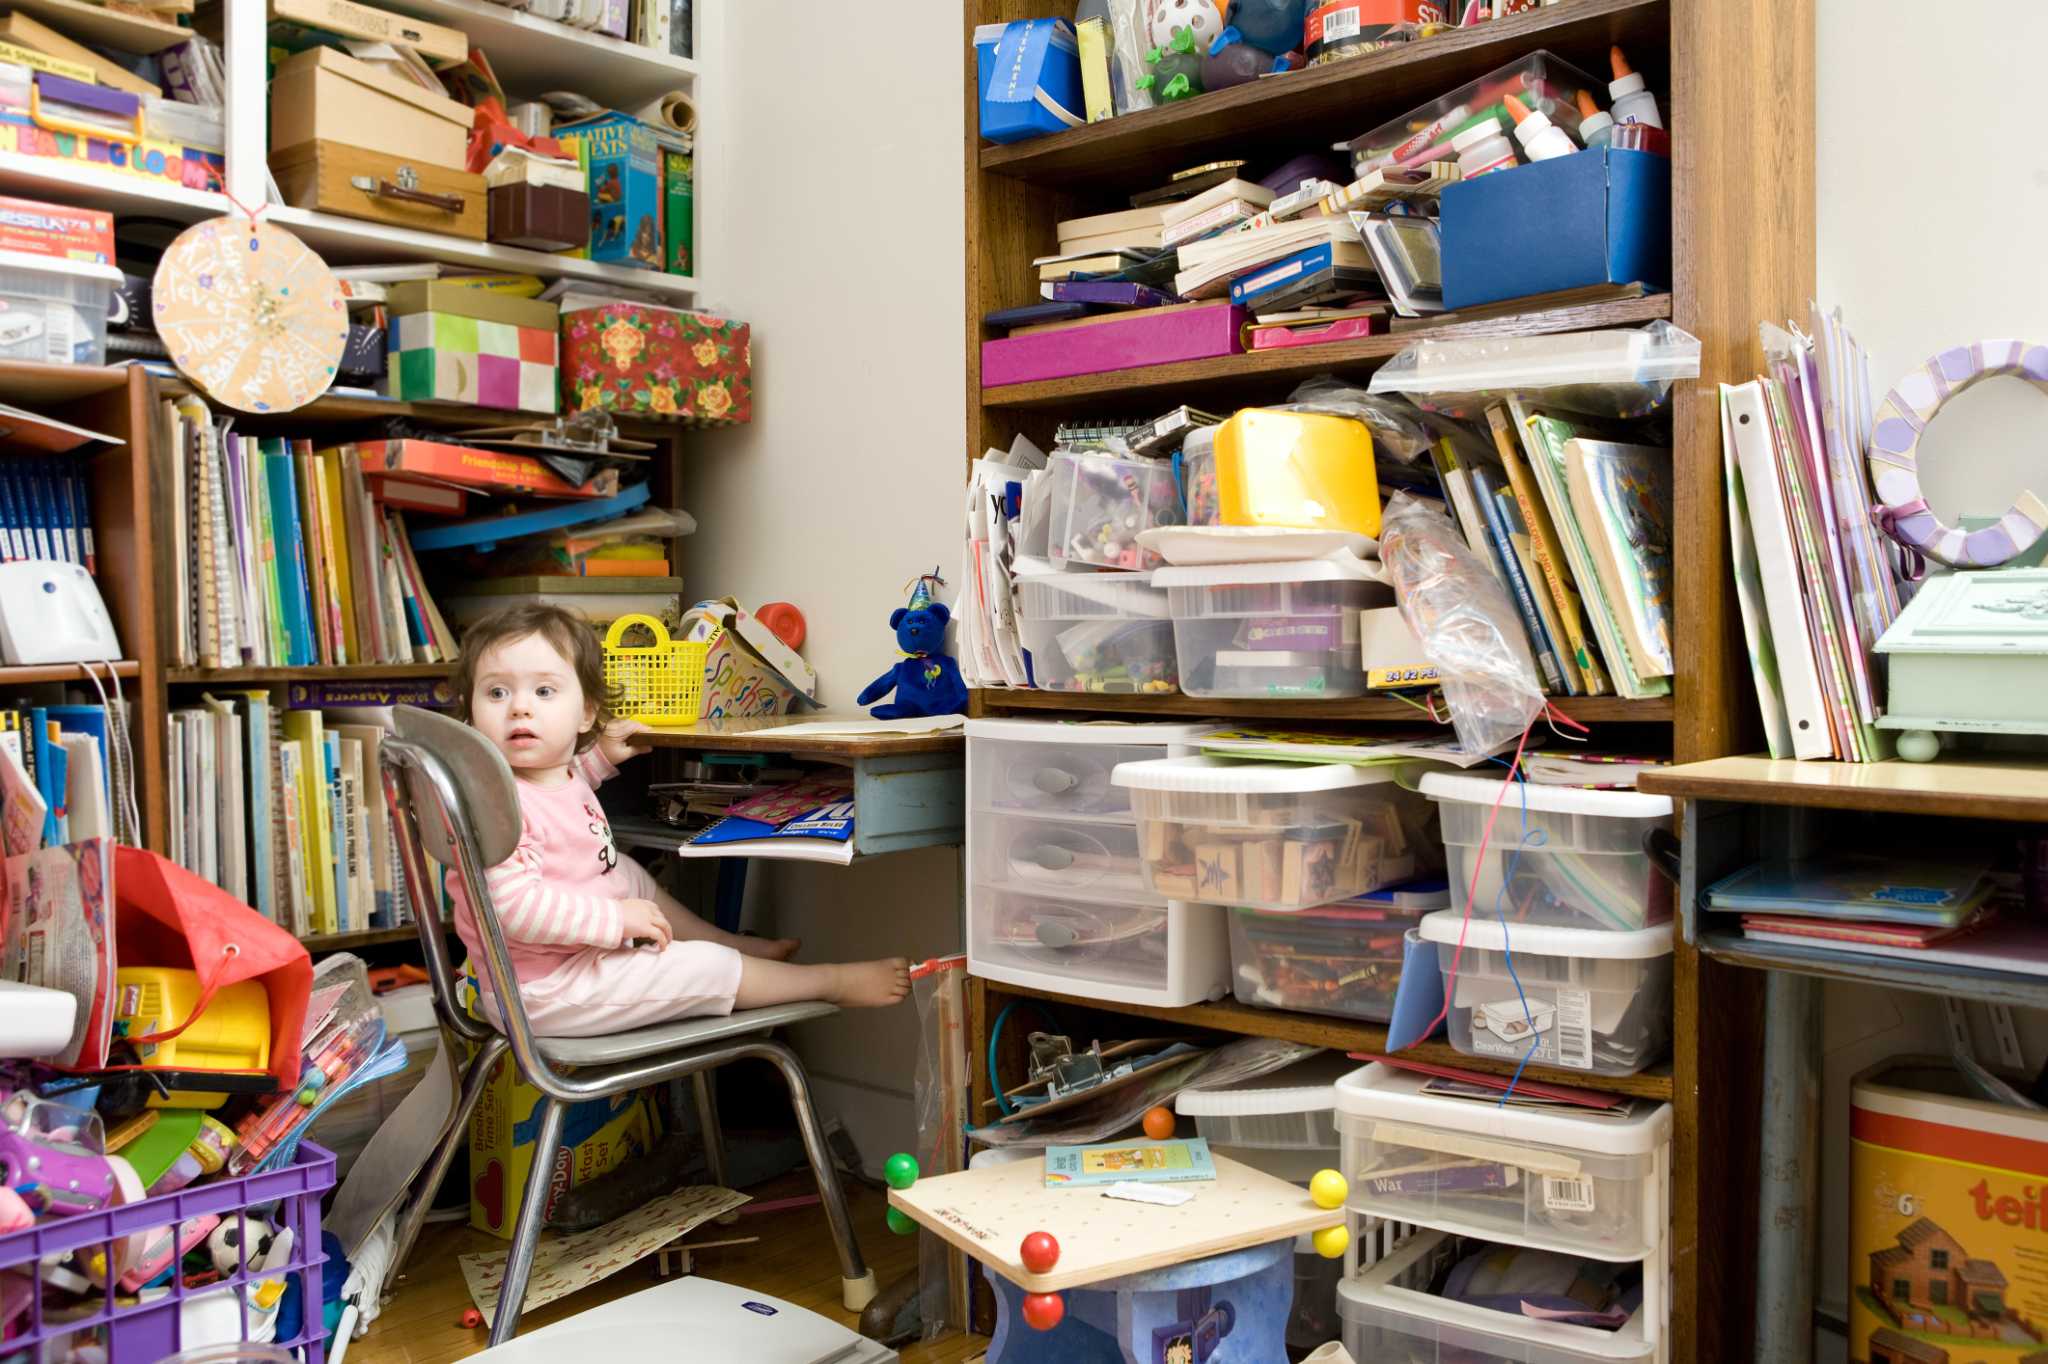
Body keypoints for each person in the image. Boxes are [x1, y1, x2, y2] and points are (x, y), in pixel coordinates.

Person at [447, 603, 910, 1037]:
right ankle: (827, 982)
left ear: (586, 711)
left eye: (543, 690)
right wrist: (613, 919)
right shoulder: (494, 807)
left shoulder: (530, 779)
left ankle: (737, 944)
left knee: (623, 872)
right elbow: (513, 909)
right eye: (497, 692)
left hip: (555, 968)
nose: (519, 707)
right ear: (471, 712)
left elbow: (559, 798)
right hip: (545, 992)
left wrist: (600, 760)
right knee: (701, 966)